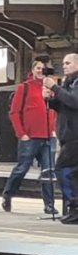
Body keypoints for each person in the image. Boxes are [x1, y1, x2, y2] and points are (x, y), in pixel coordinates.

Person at [1, 57, 58, 213]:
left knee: (48, 171)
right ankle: (8, 194)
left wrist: (53, 129)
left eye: (44, 68)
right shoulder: (24, 88)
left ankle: (49, 205)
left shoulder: (53, 89)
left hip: (48, 136)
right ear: (32, 70)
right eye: (38, 68)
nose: (41, 71)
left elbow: (56, 110)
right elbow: (14, 112)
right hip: (30, 137)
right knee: (22, 168)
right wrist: (21, 133)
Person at [44, 52, 78, 223]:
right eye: (63, 63)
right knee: (73, 173)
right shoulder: (68, 83)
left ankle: (75, 205)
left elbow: (74, 102)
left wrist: (55, 88)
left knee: (63, 169)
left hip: (75, 137)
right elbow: (65, 105)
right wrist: (51, 100)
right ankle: (74, 208)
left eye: (68, 63)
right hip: (68, 136)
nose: (64, 66)